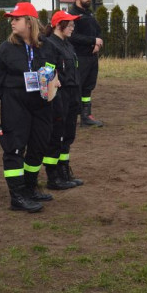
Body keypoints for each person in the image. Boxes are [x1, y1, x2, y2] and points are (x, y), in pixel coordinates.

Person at [0, 2, 57, 213]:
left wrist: (54, 81)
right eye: (12, 19)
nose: (12, 23)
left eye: (16, 19)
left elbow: (52, 70)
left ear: (30, 22)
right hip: (15, 103)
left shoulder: (47, 46)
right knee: (14, 148)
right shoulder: (6, 48)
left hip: (42, 104)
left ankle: (30, 188)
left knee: (38, 146)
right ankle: (17, 196)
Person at [40, 10, 84, 191]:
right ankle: (53, 177)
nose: (73, 28)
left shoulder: (68, 45)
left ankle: (64, 173)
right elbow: (47, 74)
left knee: (68, 136)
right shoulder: (49, 45)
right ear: (59, 25)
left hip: (72, 96)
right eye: (70, 24)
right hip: (59, 97)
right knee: (55, 137)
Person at [68, 0, 105, 127]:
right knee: (77, 86)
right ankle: (70, 115)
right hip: (79, 57)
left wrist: (97, 43)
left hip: (92, 57)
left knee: (88, 87)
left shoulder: (89, 14)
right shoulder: (72, 15)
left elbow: (98, 31)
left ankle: (86, 116)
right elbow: (72, 36)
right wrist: (92, 41)